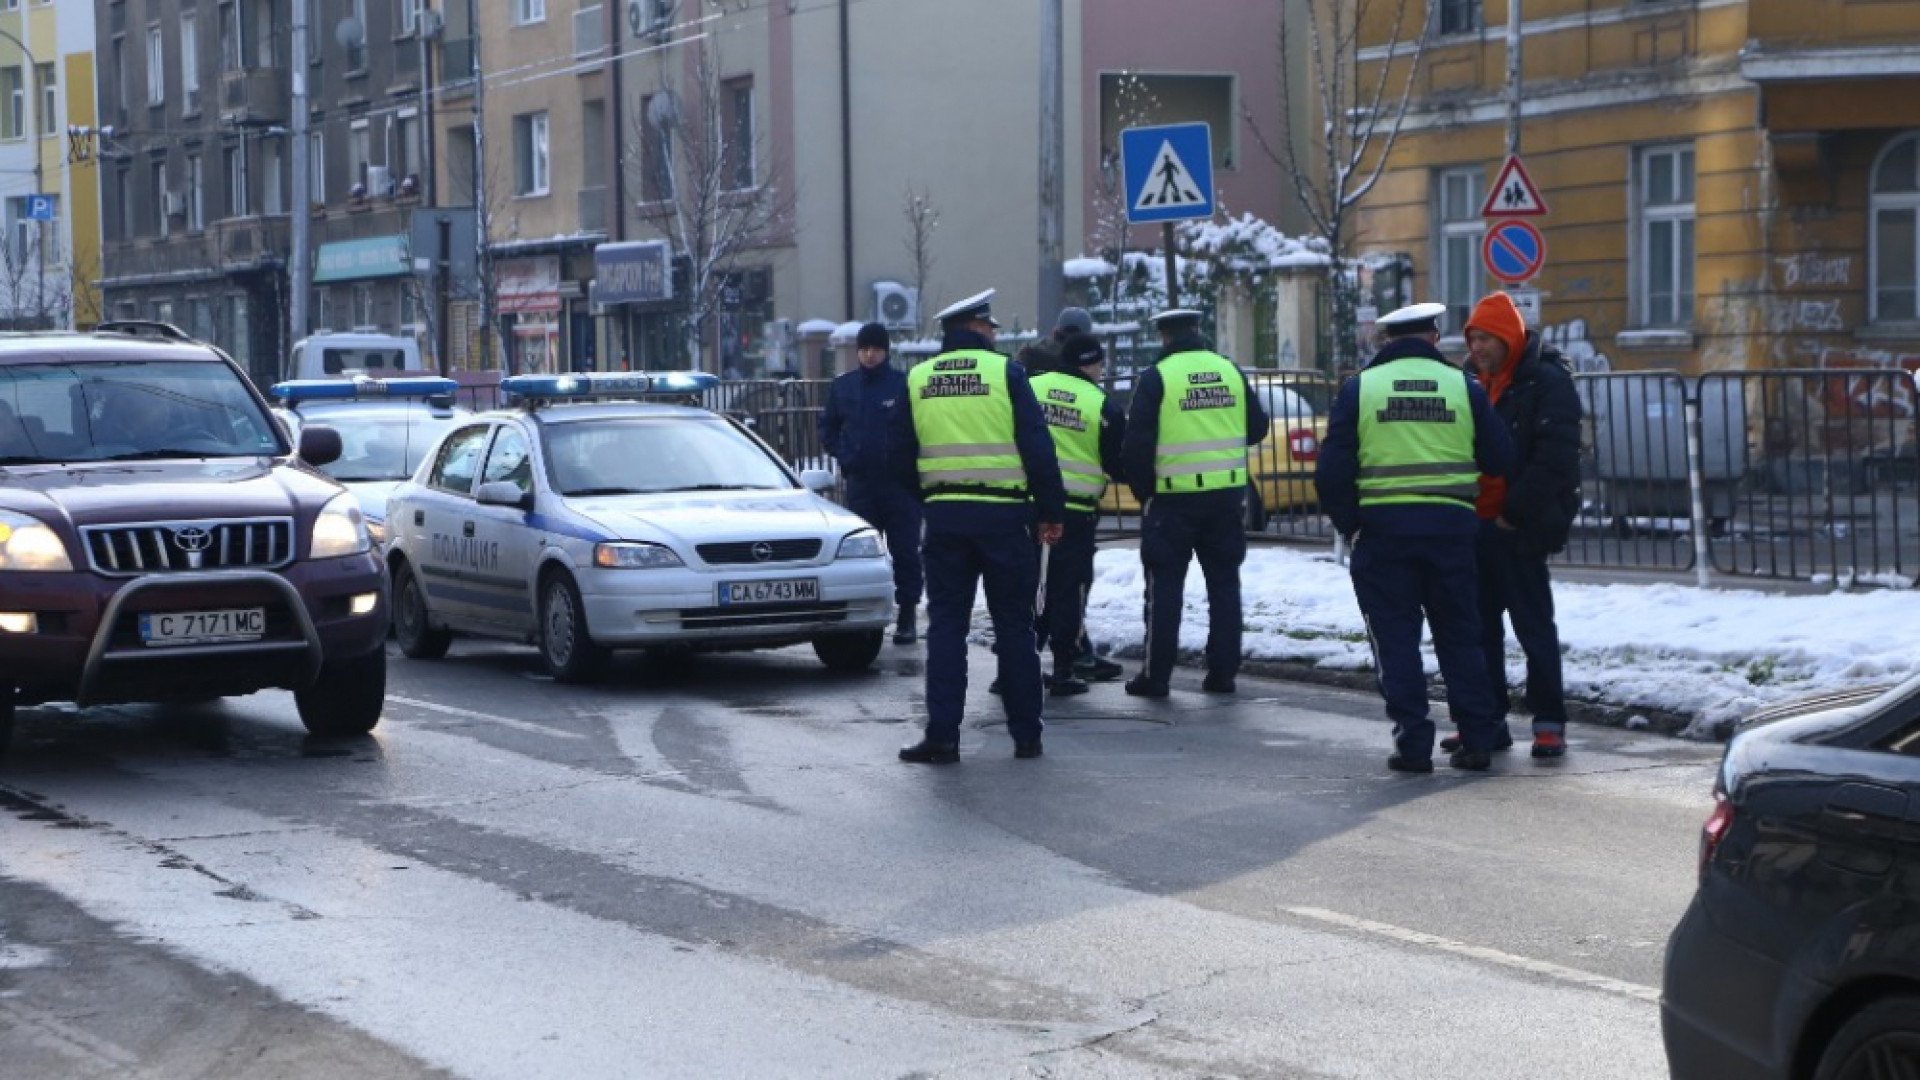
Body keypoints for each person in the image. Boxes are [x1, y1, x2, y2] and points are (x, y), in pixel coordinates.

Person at [1314, 302, 1515, 773]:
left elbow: (1331, 471)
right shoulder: (1464, 388)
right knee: (1461, 636)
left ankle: (1413, 742)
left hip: (1384, 534)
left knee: (1395, 639)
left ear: (1386, 341)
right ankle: (1478, 740)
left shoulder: (1360, 389)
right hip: (1452, 532)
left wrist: (1351, 522)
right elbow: (1500, 458)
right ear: (1434, 337)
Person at [891, 289, 1066, 764]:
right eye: (990, 327)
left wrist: (931, 497)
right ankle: (1027, 735)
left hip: (946, 519)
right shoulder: (1005, 373)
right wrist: (1051, 511)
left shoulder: (918, 378)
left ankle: (943, 736)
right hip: (1006, 518)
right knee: (1014, 625)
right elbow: (1037, 446)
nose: (994, 334)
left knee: (947, 626)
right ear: (974, 328)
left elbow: (897, 455)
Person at [1442, 292, 1584, 761]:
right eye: (1472, 338)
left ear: (1508, 337)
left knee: (1532, 626)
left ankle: (1548, 723)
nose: (1476, 347)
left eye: (1485, 337)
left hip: (1518, 527)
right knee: (1479, 630)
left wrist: (1513, 514)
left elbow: (1555, 458)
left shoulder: (1546, 380)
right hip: (1473, 525)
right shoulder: (1470, 382)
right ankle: (1487, 721)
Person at [1118, 309, 1268, 698]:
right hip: (1227, 498)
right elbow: (1257, 427)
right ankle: (1223, 674)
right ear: (1197, 332)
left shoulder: (1158, 378)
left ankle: (1157, 676)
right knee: (1224, 585)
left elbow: (1136, 445)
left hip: (1172, 500)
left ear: (1164, 337)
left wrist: (1145, 492)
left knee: (1165, 589)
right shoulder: (1229, 370)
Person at [1027, 332, 1126, 696]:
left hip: (1029, 507)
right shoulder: (1101, 404)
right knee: (1069, 590)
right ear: (1092, 364)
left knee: (1029, 588)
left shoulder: (1030, 387)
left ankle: (1014, 667)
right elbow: (1118, 462)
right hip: (1075, 514)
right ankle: (1064, 669)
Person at [819, 321, 924, 643]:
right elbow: (829, 429)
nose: (869, 355)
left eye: (875, 349)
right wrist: (847, 457)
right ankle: (864, 615)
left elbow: (920, 430)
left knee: (905, 550)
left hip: (900, 485)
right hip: (862, 484)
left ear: (886, 351)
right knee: (862, 553)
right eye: (864, 349)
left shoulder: (903, 386)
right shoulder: (844, 387)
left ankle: (907, 614)